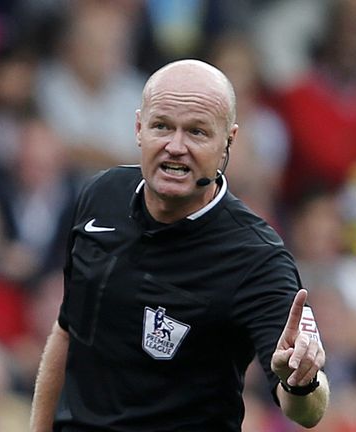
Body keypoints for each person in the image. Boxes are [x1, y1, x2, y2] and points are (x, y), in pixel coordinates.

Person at [30, 59, 329, 431]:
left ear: (227, 142)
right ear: (139, 128)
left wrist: (301, 381)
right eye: (162, 127)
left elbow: (308, 411)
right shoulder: (100, 196)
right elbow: (66, 331)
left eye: (197, 132)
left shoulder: (257, 258)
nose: (175, 146)